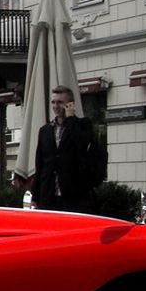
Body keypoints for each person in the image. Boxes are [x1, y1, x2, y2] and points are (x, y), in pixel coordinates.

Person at [32, 85, 98, 213]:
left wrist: (71, 119)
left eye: (60, 102)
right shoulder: (45, 130)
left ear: (70, 104)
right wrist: (35, 195)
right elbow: (39, 164)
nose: (56, 106)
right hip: (48, 194)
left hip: (73, 193)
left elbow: (82, 144)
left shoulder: (83, 125)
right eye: (53, 102)